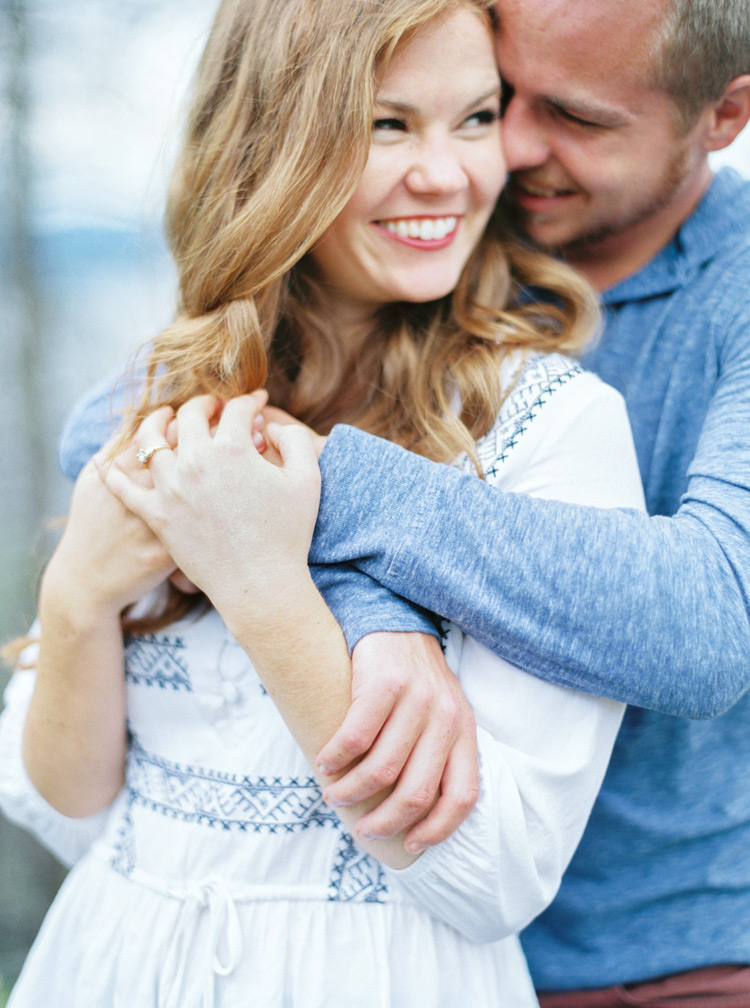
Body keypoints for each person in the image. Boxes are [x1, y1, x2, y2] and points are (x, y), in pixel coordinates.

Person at [59, 0, 750, 1002]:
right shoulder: (456, 234)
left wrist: (319, 512)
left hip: (669, 960)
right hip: (411, 946)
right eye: (500, 101)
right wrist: (372, 607)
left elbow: (708, 626)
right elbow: (116, 430)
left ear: (723, 117)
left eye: (579, 118)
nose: (509, 149)